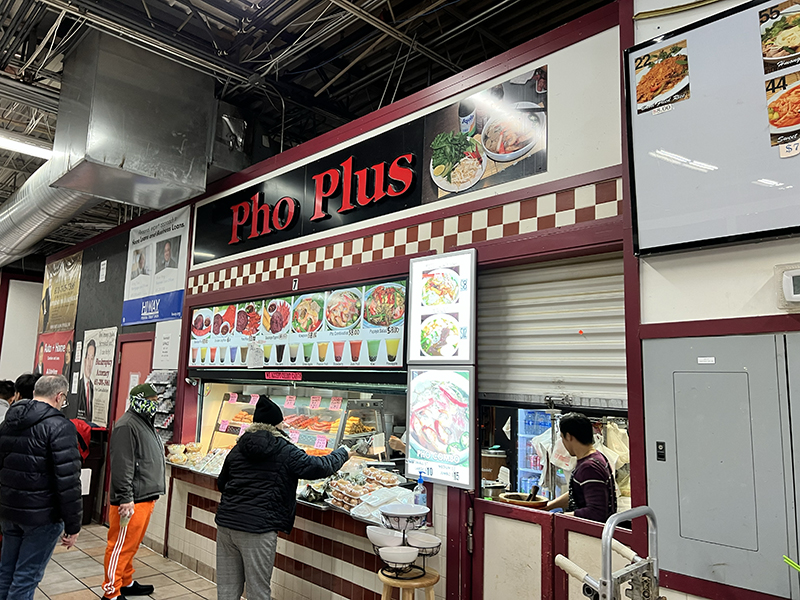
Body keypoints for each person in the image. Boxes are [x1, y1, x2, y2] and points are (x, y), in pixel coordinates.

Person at [215, 396, 353, 600]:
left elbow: (222, 483)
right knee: (258, 592)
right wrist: (343, 453)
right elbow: (319, 467)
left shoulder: (238, 448)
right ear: (277, 424)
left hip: (226, 525)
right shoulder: (284, 449)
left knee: (227, 591)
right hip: (258, 529)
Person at [0, 375, 82, 599]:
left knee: (6, 571)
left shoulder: (9, 421)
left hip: (9, 509)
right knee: (26, 577)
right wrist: (73, 525)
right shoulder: (60, 427)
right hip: (42, 515)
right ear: (59, 396)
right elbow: (68, 481)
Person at [101, 384, 166, 600]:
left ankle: (125, 582)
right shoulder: (127, 425)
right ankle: (111, 592)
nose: (155, 404)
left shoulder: (144, 422)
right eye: (152, 400)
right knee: (120, 547)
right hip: (131, 500)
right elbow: (122, 465)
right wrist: (125, 497)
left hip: (144, 496)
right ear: (139, 401)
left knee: (131, 545)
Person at [544, 413, 617, 523]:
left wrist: (557, 517)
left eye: (562, 438)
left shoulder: (589, 468)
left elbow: (597, 512)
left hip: (591, 531)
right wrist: (548, 506)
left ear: (568, 436)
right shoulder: (596, 457)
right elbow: (577, 493)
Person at [78, 339, 95, 422]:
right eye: (88, 358)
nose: (89, 364)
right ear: (84, 360)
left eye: (92, 359)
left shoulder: (91, 386)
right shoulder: (78, 384)